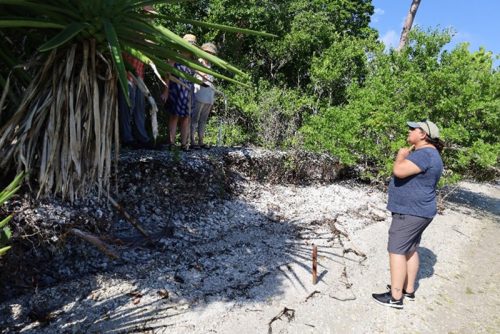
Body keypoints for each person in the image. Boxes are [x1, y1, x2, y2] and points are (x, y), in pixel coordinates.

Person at [372, 120, 444, 309]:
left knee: (396, 250)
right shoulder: (431, 154)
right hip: (421, 211)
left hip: (410, 212)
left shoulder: (424, 154)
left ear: (423, 135)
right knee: (410, 249)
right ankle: (408, 290)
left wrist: (401, 156)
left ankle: (395, 297)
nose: (409, 131)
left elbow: (399, 171)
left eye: (413, 129)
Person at [161, 34, 197, 152]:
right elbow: (167, 74)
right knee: (174, 116)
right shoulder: (174, 58)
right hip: (176, 90)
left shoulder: (192, 60)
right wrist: (165, 91)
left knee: (186, 117)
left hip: (188, 91)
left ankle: (184, 144)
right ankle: (171, 143)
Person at [118, 53, 153, 149]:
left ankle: (142, 137)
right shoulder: (128, 44)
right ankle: (127, 139)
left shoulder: (143, 46)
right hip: (128, 78)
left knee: (139, 109)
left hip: (139, 79)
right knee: (128, 108)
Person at [190, 42, 217, 149]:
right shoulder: (199, 63)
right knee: (195, 119)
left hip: (208, 95)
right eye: (208, 52)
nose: (210, 54)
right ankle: (192, 140)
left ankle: (201, 140)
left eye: (211, 53)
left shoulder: (209, 65)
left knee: (203, 119)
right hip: (200, 93)